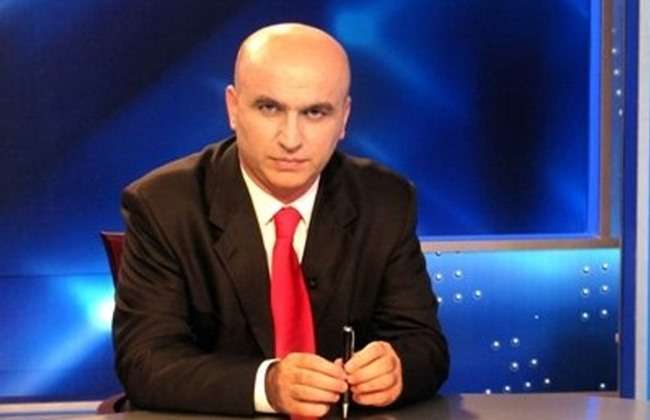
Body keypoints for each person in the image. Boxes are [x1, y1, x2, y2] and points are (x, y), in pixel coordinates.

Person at [113, 23, 449, 417]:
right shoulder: (164, 205)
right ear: (233, 108)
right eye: (270, 108)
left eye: (315, 113)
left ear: (344, 118)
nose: (291, 139)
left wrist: (396, 370)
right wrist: (268, 385)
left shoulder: (385, 201)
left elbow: (425, 346)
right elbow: (146, 362)